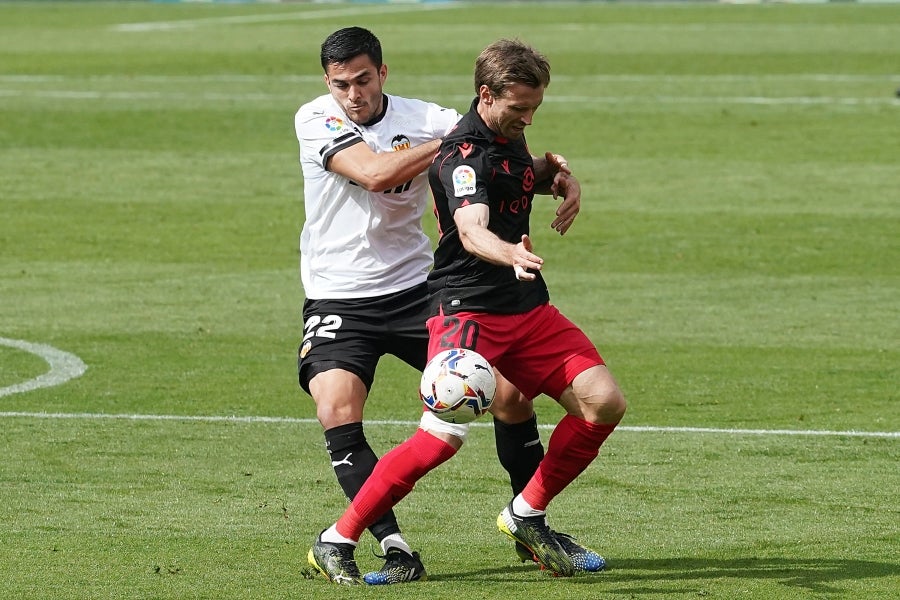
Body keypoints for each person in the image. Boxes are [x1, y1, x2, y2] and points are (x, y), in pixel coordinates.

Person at [306, 38, 625, 584]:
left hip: (526, 307)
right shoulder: (463, 156)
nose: (528, 118)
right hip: (468, 312)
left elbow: (515, 179)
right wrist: (511, 253)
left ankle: (526, 515)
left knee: (603, 403)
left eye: (534, 108)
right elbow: (472, 227)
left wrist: (556, 177)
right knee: (442, 438)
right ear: (487, 95)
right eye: (519, 108)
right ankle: (337, 539)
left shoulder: (503, 133)